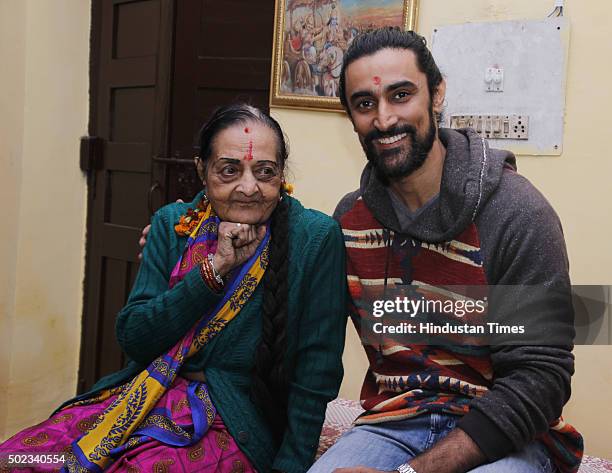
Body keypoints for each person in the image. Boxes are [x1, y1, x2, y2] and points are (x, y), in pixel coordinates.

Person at [0, 104, 348, 472]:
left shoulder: (314, 238)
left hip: (233, 423)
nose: (249, 187)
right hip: (143, 399)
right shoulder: (172, 225)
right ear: (202, 170)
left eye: (265, 172)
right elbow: (135, 337)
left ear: (282, 175)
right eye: (230, 170)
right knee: (18, 459)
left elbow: (316, 373)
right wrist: (212, 271)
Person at [308, 28, 583, 473]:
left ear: (437, 94)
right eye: (364, 104)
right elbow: (298, 304)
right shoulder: (350, 220)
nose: (383, 119)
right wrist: (192, 239)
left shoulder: (516, 214)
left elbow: (541, 378)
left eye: (401, 95)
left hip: (506, 435)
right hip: (394, 421)